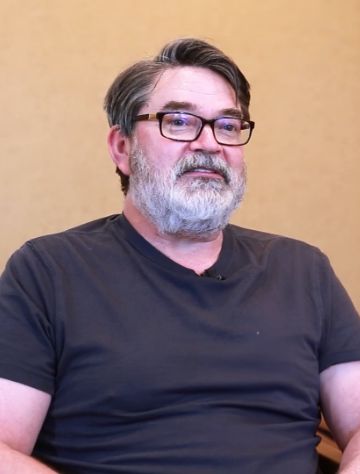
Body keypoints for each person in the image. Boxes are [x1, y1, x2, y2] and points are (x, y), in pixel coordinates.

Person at [0, 38, 359, 474]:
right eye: (180, 121)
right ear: (122, 148)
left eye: (227, 125)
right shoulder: (48, 271)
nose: (210, 143)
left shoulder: (303, 270)